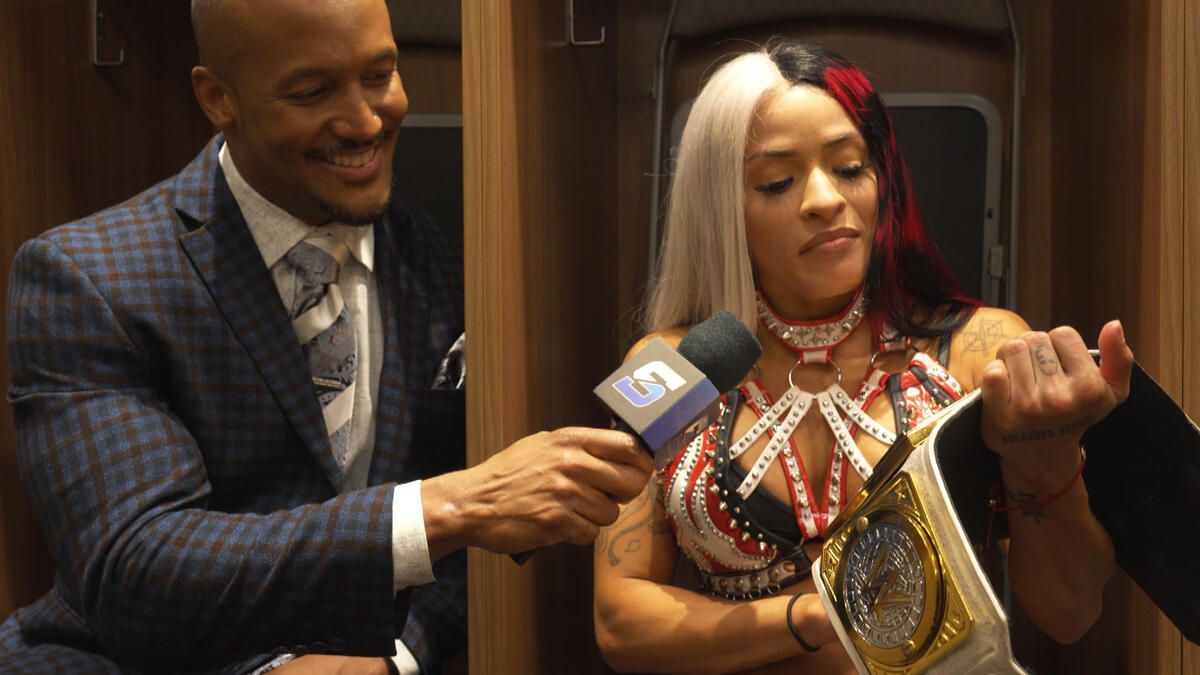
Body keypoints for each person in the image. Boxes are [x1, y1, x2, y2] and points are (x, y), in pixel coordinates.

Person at [0, 0, 653, 673]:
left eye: (379, 75)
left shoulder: (448, 267)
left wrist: (393, 657)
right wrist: (444, 506)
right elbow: (136, 572)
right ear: (218, 97)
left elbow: (490, 533)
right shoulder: (88, 279)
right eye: (313, 92)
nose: (366, 121)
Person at [593, 40, 1133, 674]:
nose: (825, 199)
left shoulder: (979, 352)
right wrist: (819, 617)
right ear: (719, 205)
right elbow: (620, 622)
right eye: (777, 181)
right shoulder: (669, 364)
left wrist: (1048, 462)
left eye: (850, 168)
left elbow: (1071, 614)